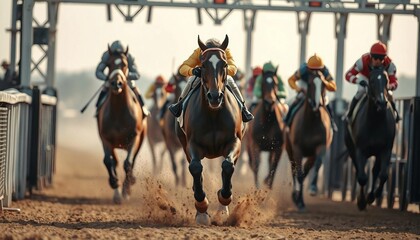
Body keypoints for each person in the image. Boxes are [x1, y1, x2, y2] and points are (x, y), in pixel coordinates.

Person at [168, 38, 254, 122]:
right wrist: (193, 71)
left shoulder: (225, 51)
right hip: (204, 75)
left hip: (220, 75)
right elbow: (183, 68)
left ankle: (244, 109)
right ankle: (179, 105)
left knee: (231, 82)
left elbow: (233, 68)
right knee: (191, 80)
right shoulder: (199, 51)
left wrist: (222, 70)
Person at [345, 41, 399, 121]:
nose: (378, 61)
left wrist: (389, 86)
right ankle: (349, 114)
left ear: (385, 58)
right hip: (366, 78)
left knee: (390, 94)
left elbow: (394, 82)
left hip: (381, 80)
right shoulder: (362, 61)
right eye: (375, 58)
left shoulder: (390, 65)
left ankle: (395, 113)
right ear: (371, 56)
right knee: (361, 90)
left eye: (381, 59)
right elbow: (348, 75)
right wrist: (358, 81)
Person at [283, 54, 338, 131]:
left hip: (320, 87)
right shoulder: (303, 70)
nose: (315, 72)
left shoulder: (325, 71)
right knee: (298, 100)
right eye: (312, 70)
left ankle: (332, 122)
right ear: (308, 68)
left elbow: (334, 87)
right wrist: (298, 89)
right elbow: (291, 80)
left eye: (318, 70)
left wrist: (325, 82)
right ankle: (287, 121)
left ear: (322, 68)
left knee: (326, 102)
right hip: (306, 85)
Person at [95, 40, 149, 116]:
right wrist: (106, 78)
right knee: (104, 89)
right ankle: (98, 110)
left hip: (126, 80)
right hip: (111, 79)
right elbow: (98, 72)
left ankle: (143, 109)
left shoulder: (129, 57)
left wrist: (126, 76)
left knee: (135, 89)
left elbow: (137, 74)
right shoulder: (107, 56)